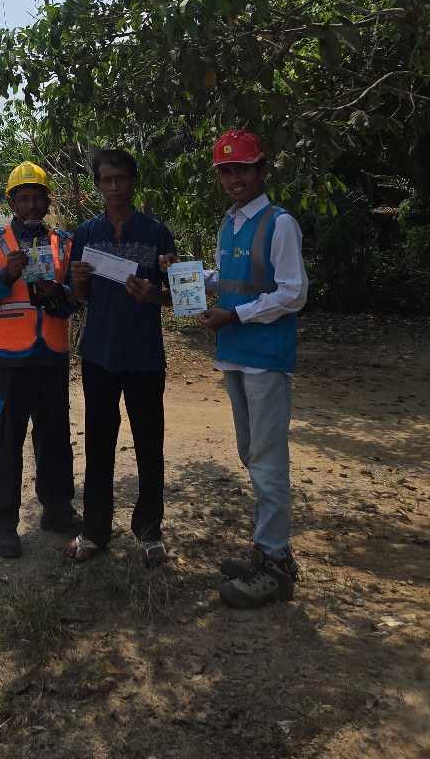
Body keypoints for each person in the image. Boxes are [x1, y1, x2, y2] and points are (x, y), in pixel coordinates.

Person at [195, 129, 308, 608]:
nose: (233, 178)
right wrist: (192, 277)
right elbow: (233, 278)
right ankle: (266, 551)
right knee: (250, 451)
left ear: (262, 170)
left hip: (263, 355)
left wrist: (235, 314)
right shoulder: (231, 222)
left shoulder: (279, 223)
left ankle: (275, 561)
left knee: (266, 455)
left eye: (242, 168)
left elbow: (293, 291)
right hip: (234, 352)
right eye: (226, 170)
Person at [66, 149, 176, 566]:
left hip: (145, 356)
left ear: (133, 182)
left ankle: (149, 532)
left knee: (149, 444)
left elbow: (182, 296)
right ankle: (95, 531)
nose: (113, 188)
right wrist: (77, 284)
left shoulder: (156, 233)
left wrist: (156, 295)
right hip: (98, 354)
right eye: (105, 180)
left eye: (120, 179)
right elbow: (79, 300)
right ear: (97, 184)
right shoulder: (86, 234)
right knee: (98, 442)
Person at [0, 161, 84, 558]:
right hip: (9, 359)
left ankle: (56, 510)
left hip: (51, 356)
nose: (32, 205)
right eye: (24, 198)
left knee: (54, 439)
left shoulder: (64, 243)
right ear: (12, 202)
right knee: (6, 441)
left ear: (47, 201)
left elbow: (74, 300)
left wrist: (58, 291)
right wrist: (4, 276)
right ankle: (4, 524)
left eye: (38, 198)